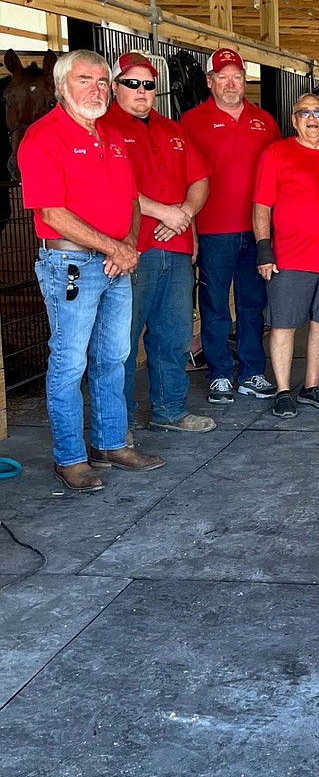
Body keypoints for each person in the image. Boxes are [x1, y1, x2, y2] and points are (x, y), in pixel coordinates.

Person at [17, 50, 165, 491]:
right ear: (62, 87)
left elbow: (132, 200)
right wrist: (115, 248)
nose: (97, 89)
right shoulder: (43, 138)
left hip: (115, 262)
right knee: (69, 361)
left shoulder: (112, 136)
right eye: (86, 80)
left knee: (114, 357)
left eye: (103, 81)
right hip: (72, 265)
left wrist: (128, 247)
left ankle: (110, 442)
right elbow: (52, 212)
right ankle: (71, 457)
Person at [100, 52, 215, 436]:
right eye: (131, 83)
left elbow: (200, 179)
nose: (141, 91)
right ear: (115, 86)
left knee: (174, 334)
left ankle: (169, 410)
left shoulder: (173, 129)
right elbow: (114, 187)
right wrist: (166, 213)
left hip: (177, 249)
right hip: (133, 250)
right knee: (124, 340)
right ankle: (121, 422)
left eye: (148, 84)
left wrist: (183, 213)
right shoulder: (103, 128)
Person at [180, 48, 280, 405]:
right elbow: (183, 179)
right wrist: (189, 228)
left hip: (257, 232)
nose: (230, 83)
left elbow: (277, 180)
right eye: (222, 76)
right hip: (213, 230)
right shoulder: (191, 121)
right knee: (214, 304)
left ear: (244, 80)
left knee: (254, 304)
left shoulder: (265, 122)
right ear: (209, 81)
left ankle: (252, 371)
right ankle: (220, 373)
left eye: (237, 76)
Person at [253, 91, 319, 419]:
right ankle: (284, 389)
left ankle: (311, 387)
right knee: (283, 325)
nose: (312, 118)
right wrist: (263, 249)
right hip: (289, 258)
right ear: (294, 120)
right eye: (304, 113)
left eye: (318, 113)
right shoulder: (277, 152)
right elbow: (261, 206)